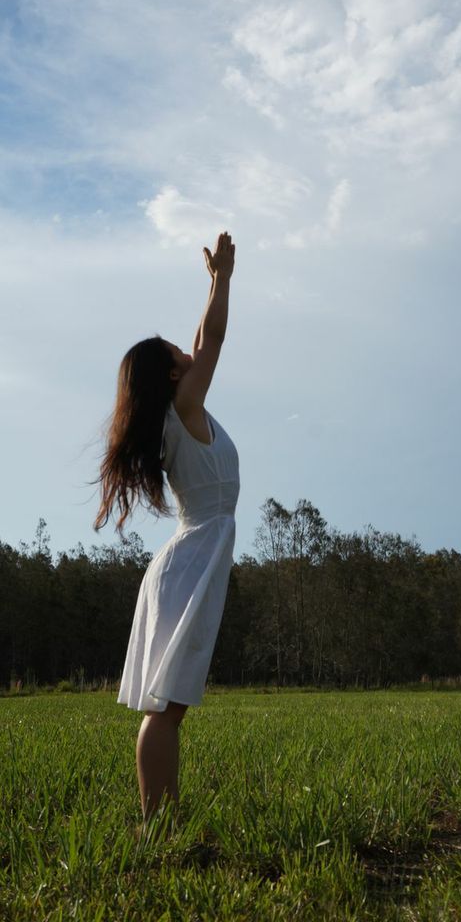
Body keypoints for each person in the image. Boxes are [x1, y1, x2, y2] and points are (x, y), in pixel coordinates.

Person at [93, 231, 238, 827]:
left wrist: (212, 283)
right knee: (166, 709)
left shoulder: (184, 409)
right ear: (172, 373)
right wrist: (223, 281)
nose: (190, 349)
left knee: (169, 709)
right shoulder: (184, 408)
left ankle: (162, 823)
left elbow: (203, 341)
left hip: (192, 556)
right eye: (180, 351)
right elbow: (214, 340)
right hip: (190, 561)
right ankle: (158, 827)